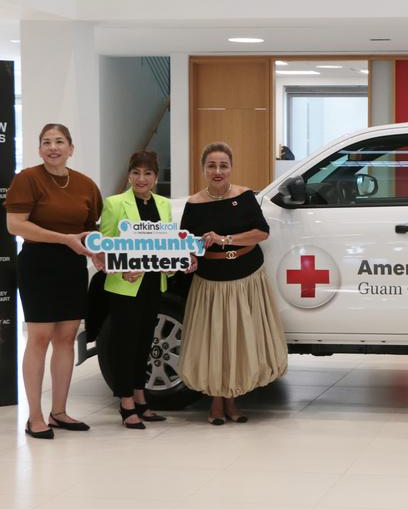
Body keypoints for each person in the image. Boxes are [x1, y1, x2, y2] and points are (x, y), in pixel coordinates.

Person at [178, 142, 288, 424]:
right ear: (203, 169)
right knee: (215, 340)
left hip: (245, 278)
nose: (218, 171)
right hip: (211, 282)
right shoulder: (193, 204)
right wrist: (189, 258)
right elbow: (186, 243)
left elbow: (261, 233)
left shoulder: (245, 196)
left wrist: (226, 239)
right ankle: (216, 400)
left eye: (223, 165)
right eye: (212, 165)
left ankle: (233, 398)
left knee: (239, 339)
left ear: (231, 168)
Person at [5, 123, 102, 439]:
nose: (53, 147)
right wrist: (64, 239)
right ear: (39, 149)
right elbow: (16, 226)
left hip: (72, 265)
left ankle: (58, 412)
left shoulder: (86, 185)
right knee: (40, 337)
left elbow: (90, 232)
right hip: (39, 264)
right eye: (46, 142)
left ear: (71, 148)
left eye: (59, 142)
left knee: (66, 337)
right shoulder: (27, 179)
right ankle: (34, 416)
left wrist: (99, 253)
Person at [99, 151, 172, 429]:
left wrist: (173, 264)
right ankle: (126, 402)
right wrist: (121, 269)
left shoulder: (164, 204)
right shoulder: (115, 204)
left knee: (145, 342)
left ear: (155, 177)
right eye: (136, 173)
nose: (142, 179)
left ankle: (141, 397)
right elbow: (104, 248)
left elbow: (167, 243)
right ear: (129, 175)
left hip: (154, 282)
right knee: (124, 343)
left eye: (148, 173)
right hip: (124, 286)